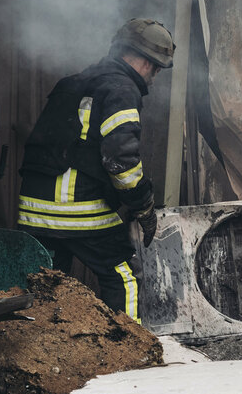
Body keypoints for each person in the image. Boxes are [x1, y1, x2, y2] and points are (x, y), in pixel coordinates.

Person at [16, 18, 175, 322]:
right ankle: (129, 355)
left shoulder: (73, 83)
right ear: (141, 59)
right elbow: (121, 160)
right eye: (155, 67)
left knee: (45, 284)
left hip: (33, 211)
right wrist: (144, 206)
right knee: (124, 274)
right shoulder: (121, 88)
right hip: (75, 208)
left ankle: (46, 352)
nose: (154, 76)